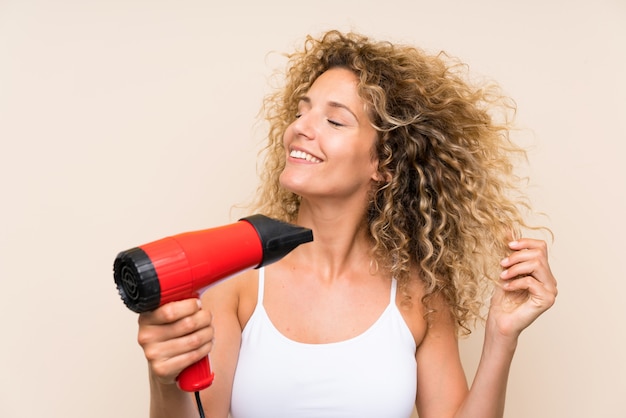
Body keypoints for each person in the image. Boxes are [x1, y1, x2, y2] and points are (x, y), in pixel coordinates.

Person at [136, 30, 558, 418]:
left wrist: (502, 337)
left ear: (384, 164)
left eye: (334, 121)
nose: (300, 128)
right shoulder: (237, 285)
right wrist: (164, 381)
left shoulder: (418, 296)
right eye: (302, 112)